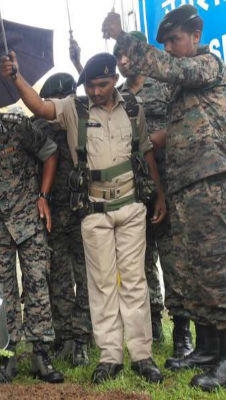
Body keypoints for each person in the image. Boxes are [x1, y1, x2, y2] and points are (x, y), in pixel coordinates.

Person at [4, 51, 167, 384]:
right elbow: (40, 107)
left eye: (102, 84)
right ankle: (110, 357)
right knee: (102, 284)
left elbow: (145, 151)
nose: (95, 91)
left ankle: (142, 355)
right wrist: (16, 77)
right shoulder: (73, 108)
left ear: (115, 81)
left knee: (134, 282)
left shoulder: (133, 107)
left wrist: (159, 194)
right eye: (90, 85)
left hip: (130, 206)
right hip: (94, 211)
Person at [103, 4, 226, 391]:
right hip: (185, 184)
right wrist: (156, 139)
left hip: (211, 182)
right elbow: (189, 125)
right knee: (196, 271)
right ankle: (208, 348)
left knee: (218, 270)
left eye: (174, 40)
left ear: (195, 36)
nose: (169, 48)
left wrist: (122, 38)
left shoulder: (207, 65)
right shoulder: (183, 86)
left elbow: (170, 68)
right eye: (166, 42)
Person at [0, 79, 63, 383]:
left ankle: (41, 355)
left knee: (37, 284)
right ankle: (7, 355)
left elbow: (50, 153)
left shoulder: (18, 127)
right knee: (1, 291)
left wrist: (43, 196)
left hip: (29, 219)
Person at [113, 31, 172, 345]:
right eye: (118, 57)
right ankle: (154, 320)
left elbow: (181, 122)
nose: (123, 61)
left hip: (170, 179)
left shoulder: (163, 85)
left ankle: (182, 322)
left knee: (173, 254)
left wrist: (160, 138)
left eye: (128, 54)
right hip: (136, 188)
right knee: (143, 257)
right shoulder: (118, 97)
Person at [36, 73, 92, 367]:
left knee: (86, 277)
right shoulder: (38, 129)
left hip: (83, 211)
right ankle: (65, 336)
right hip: (53, 216)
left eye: (65, 98)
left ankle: (82, 338)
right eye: (54, 100)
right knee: (58, 278)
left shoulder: (86, 122)